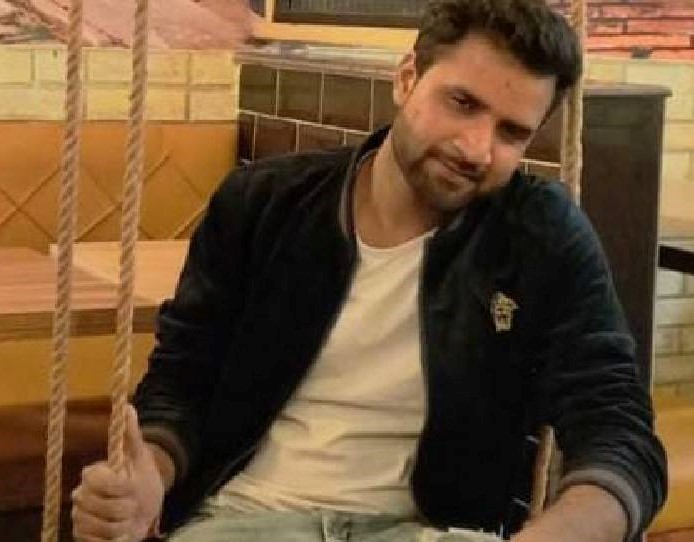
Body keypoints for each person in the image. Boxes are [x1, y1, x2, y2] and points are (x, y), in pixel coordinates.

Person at [70, 1, 667, 541]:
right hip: (247, 519)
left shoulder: (539, 235)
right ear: (406, 79)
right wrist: (150, 476)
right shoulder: (265, 203)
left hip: (432, 530)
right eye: (462, 103)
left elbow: (617, 429)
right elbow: (182, 379)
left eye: (512, 132)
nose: (476, 148)